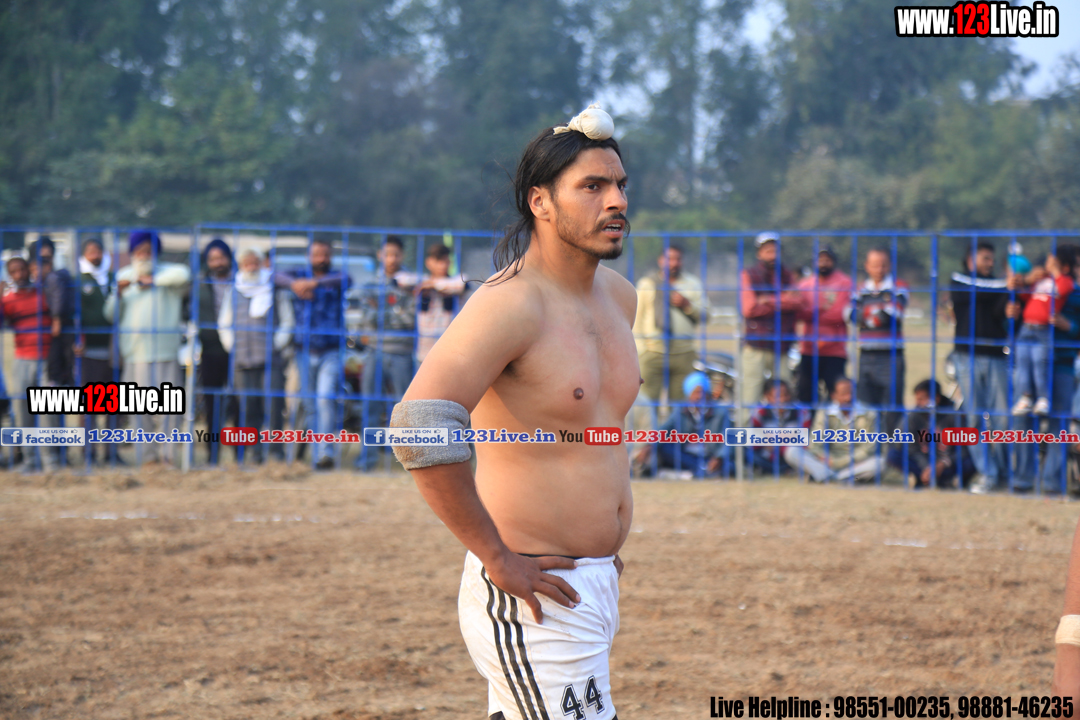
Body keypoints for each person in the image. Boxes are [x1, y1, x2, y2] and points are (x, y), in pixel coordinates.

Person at [389, 105, 634, 720]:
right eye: (592, 186)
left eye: (619, 184)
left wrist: (600, 549)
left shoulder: (620, 298)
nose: (615, 201)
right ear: (540, 202)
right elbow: (419, 426)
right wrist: (496, 557)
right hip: (531, 596)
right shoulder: (510, 304)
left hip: (591, 585)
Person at [103, 230, 191, 465]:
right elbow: (110, 315)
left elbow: (184, 274)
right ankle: (148, 459)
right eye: (139, 251)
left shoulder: (169, 274)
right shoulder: (124, 276)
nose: (144, 255)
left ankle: (168, 457)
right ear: (132, 253)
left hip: (165, 352)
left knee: (170, 409)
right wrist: (119, 294)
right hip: (135, 354)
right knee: (139, 411)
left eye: (148, 251)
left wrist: (151, 281)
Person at [275, 239, 350, 470]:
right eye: (316, 254)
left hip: (331, 349)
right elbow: (274, 276)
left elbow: (347, 279)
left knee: (325, 398)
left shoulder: (336, 277)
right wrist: (296, 284)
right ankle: (317, 453)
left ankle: (325, 453)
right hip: (304, 350)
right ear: (308, 255)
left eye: (325, 254)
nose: (321, 259)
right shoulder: (297, 274)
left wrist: (313, 284)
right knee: (309, 404)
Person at [1013, 244, 1080, 494]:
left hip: (1062, 364)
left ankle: (1052, 482)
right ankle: (1023, 479)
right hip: (1030, 362)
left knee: (1058, 423)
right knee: (1023, 418)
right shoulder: (1040, 285)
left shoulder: (1074, 293)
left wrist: (1068, 326)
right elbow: (1022, 313)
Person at [218, 247, 294, 463]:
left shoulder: (274, 290)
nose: (251, 267)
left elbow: (287, 321)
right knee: (248, 406)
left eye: (255, 263)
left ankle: (276, 453)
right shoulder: (234, 290)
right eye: (247, 263)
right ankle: (254, 453)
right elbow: (224, 322)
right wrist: (232, 345)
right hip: (242, 359)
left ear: (261, 264)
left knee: (274, 406)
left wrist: (276, 344)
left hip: (271, 359)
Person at [949, 241, 1010, 493]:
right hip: (967, 356)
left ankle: (1004, 474)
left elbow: (1000, 313)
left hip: (996, 356)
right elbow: (979, 293)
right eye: (985, 258)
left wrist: (1009, 298)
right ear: (970, 259)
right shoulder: (959, 280)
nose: (990, 263)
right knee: (974, 417)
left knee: (1002, 419)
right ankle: (987, 473)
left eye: (992, 259)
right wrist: (1008, 284)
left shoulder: (999, 285)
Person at [357, 236, 417, 470]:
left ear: (402, 256)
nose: (391, 259)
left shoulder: (411, 284)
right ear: (379, 256)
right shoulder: (370, 285)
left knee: (403, 409)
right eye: (387, 254)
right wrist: (395, 312)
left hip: (402, 353)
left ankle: (407, 461)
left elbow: (410, 319)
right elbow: (366, 319)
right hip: (375, 351)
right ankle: (368, 459)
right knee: (370, 406)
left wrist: (380, 311)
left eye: (396, 254)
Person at [633, 244, 706, 415]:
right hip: (653, 353)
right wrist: (642, 351)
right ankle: (650, 434)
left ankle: (674, 434)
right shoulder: (647, 284)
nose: (673, 263)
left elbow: (706, 315)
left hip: (684, 354)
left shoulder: (692, 284)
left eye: (677, 259)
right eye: (669, 258)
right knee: (647, 407)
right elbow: (636, 320)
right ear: (660, 260)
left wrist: (687, 305)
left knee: (680, 409)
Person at [739, 232, 802, 423]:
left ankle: (781, 436)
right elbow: (749, 308)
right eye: (768, 251)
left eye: (775, 251)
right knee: (750, 396)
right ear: (759, 253)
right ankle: (745, 436)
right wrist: (783, 300)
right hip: (756, 346)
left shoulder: (788, 275)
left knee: (783, 397)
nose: (772, 255)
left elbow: (798, 302)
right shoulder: (748, 274)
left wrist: (767, 300)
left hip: (781, 346)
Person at [1009, 245, 1076, 417]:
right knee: (1023, 363)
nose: (1048, 264)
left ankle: (1043, 398)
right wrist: (1028, 280)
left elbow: (1063, 289)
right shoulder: (1041, 280)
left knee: (1040, 363)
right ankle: (1025, 397)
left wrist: (1055, 272)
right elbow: (1025, 295)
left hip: (1042, 330)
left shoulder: (1064, 281)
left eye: (1053, 261)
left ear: (1064, 267)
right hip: (1026, 327)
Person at [850, 248, 909, 434]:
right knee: (866, 406)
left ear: (889, 265)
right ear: (867, 266)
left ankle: (892, 445)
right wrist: (876, 313)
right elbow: (850, 314)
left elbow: (892, 314)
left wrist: (866, 315)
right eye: (875, 265)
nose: (879, 269)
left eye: (883, 265)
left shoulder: (899, 286)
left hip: (891, 355)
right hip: (866, 354)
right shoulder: (860, 289)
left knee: (893, 406)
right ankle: (870, 445)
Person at [783, 376, 885, 483]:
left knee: (879, 463)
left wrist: (839, 462)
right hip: (826, 462)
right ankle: (832, 476)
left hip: (854, 463)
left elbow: (868, 449)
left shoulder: (869, 414)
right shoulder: (824, 413)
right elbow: (815, 444)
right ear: (833, 396)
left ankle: (827, 476)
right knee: (792, 451)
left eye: (851, 393)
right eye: (844, 394)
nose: (848, 398)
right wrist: (825, 458)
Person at [1, 256, 52, 471]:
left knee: (47, 411)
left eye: (22, 269)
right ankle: (30, 460)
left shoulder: (43, 294)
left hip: (46, 357)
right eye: (14, 271)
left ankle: (50, 461)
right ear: (9, 275)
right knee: (23, 410)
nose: (19, 275)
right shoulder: (8, 300)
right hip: (22, 358)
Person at [632, 372, 731, 478]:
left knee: (731, 463)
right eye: (696, 393)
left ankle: (703, 471)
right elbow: (663, 430)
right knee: (665, 448)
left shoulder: (720, 412)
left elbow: (728, 437)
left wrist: (719, 457)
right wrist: (649, 446)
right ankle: (701, 471)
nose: (699, 397)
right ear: (689, 395)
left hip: (710, 456)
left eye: (702, 393)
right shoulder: (680, 411)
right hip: (687, 457)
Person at [76, 238, 120, 465]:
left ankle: (111, 453)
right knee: (89, 406)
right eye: (90, 251)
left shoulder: (114, 278)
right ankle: (88, 453)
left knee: (114, 406)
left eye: (98, 250)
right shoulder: (79, 281)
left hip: (113, 350)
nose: (94, 254)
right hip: (88, 352)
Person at [888, 379, 973, 490]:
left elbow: (963, 449)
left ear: (936, 398)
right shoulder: (914, 416)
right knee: (894, 454)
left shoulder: (953, 416)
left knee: (971, 459)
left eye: (922, 399)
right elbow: (909, 445)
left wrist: (943, 464)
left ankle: (951, 481)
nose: (918, 403)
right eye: (917, 399)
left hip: (948, 463)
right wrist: (926, 466)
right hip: (923, 462)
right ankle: (924, 478)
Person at [795, 247, 852, 407]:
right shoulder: (805, 285)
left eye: (827, 260)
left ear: (833, 261)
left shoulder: (844, 283)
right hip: (809, 350)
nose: (823, 263)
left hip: (835, 350)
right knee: (805, 396)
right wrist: (823, 309)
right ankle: (808, 423)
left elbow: (839, 314)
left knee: (837, 396)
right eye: (820, 260)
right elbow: (798, 312)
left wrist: (812, 312)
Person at [198, 238, 234, 464]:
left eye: (221, 257)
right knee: (212, 405)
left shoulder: (240, 282)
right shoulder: (200, 285)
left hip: (239, 351)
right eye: (212, 259)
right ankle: (212, 455)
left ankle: (240, 454)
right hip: (210, 350)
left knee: (239, 403)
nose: (218, 262)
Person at [415, 243, 468, 363]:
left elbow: (462, 284)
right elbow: (400, 280)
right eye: (438, 261)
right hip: (424, 351)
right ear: (428, 262)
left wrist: (433, 284)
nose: (442, 265)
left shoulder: (456, 281)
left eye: (445, 261)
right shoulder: (420, 281)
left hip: (449, 350)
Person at [747, 379, 811, 476]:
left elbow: (807, 438)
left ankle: (784, 470)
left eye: (786, 395)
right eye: (778, 396)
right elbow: (753, 441)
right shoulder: (760, 413)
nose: (783, 400)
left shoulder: (801, 412)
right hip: (766, 457)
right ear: (767, 396)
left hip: (791, 457)